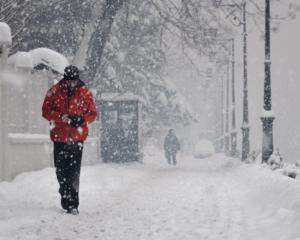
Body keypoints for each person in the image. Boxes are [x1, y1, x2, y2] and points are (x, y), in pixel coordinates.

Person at [42, 65, 97, 215]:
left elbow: (93, 113)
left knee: (74, 172)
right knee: (61, 171)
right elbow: (45, 111)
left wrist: (82, 119)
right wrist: (62, 117)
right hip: (59, 137)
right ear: (64, 79)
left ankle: (73, 203)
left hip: (77, 137)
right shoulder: (54, 91)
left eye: (74, 81)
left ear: (77, 79)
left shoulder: (85, 93)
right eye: (69, 81)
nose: (71, 84)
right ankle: (65, 195)